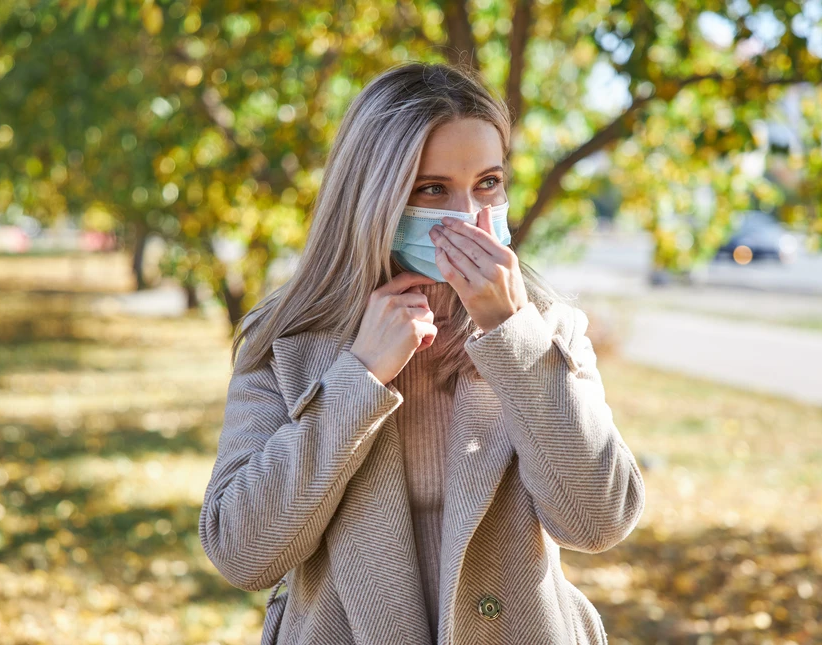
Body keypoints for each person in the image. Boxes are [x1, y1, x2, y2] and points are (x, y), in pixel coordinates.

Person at [198, 60, 646, 645]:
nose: (468, 216)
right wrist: (358, 377)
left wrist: (511, 334)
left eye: (487, 183)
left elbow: (598, 520)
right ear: (374, 197)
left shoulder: (546, 326)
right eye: (433, 189)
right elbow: (242, 553)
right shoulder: (289, 339)